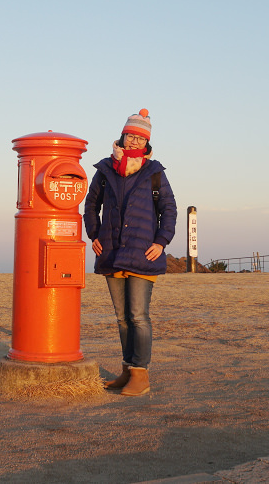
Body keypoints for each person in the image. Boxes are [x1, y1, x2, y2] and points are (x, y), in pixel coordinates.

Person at [83, 109, 177, 396]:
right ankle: (127, 369)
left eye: (139, 138)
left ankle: (141, 374)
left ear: (146, 142)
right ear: (122, 136)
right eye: (130, 136)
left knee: (138, 315)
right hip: (111, 251)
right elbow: (91, 205)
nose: (134, 141)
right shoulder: (105, 170)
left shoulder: (154, 172)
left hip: (142, 252)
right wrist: (94, 234)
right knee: (122, 317)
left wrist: (161, 241)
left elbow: (169, 210)